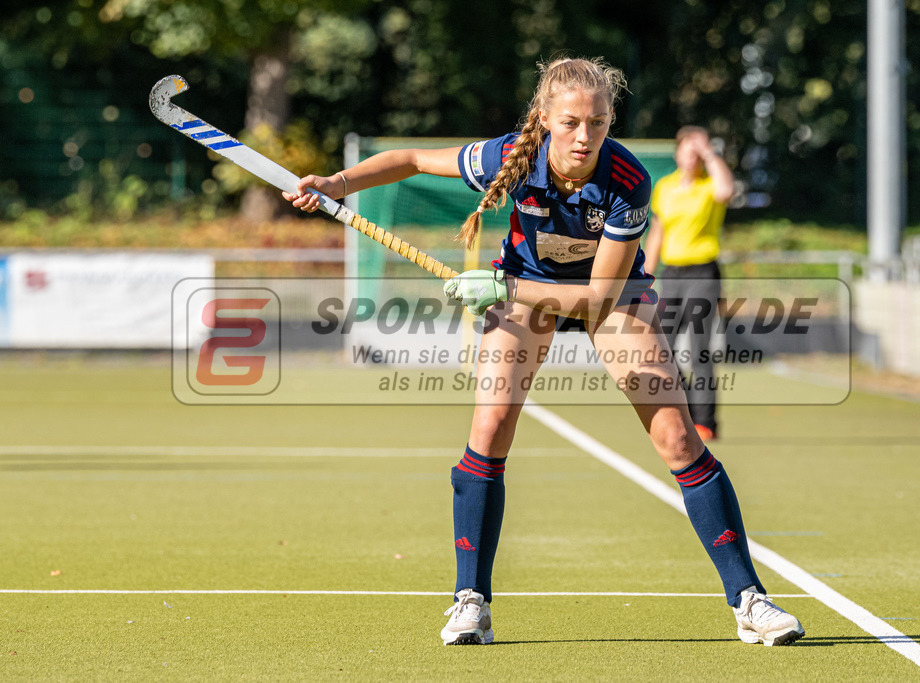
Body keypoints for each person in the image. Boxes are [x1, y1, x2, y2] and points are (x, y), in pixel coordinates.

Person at [284, 57, 803, 647]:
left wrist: (502, 287)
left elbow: (597, 300)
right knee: (492, 423)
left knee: (678, 438)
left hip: (609, 296)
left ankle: (748, 600)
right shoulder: (509, 157)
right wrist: (336, 184)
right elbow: (407, 160)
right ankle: (470, 600)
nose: (585, 137)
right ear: (544, 118)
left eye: (599, 123)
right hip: (526, 287)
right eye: (572, 122)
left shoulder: (629, 182)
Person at [643, 126, 734, 442]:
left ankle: (705, 421)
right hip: (672, 275)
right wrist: (645, 274)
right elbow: (657, 232)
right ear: (678, 153)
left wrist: (710, 152)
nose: (692, 154)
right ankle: (685, 410)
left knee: (699, 350)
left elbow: (726, 191)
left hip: (703, 275)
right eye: (688, 148)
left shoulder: (710, 185)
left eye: (698, 150)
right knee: (662, 348)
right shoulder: (665, 187)